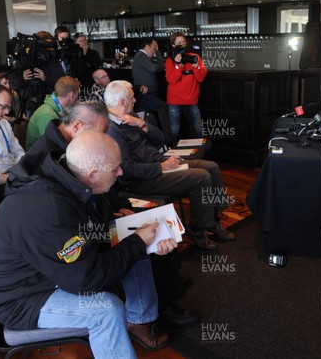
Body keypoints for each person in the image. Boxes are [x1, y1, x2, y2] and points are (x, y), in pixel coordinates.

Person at [0, 131, 177, 358]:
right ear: (92, 174)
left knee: (134, 247)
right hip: (20, 299)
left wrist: (134, 237)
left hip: (46, 273)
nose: (121, 172)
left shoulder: (68, 180)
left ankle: (139, 321)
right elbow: (87, 279)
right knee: (106, 311)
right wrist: (136, 241)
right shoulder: (49, 207)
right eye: (115, 168)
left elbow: (85, 233)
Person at [23, 100, 200, 328]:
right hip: (76, 237)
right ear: (77, 127)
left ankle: (166, 282)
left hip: (97, 215)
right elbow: (69, 209)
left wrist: (117, 208)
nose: (106, 138)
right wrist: (109, 218)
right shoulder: (44, 157)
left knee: (150, 219)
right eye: (102, 132)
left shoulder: (71, 146)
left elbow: (95, 189)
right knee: (137, 236)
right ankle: (159, 307)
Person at [104, 80, 235, 250]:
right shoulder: (112, 131)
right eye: (132, 97)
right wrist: (162, 167)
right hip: (143, 180)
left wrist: (141, 124)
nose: (135, 100)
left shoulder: (132, 117)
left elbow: (161, 139)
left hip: (159, 163)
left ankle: (213, 221)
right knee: (201, 177)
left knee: (211, 167)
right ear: (122, 102)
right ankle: (197, 229)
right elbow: (127, 170)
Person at [11, 30, 65, 115]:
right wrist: (23, 77)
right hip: (28, 104)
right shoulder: (24, 60)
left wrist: (45, 78)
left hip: (50, 104)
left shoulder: (53, 60)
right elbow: (14, 84)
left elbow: (61, 83)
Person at [165, 32, 207, 142]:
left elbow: (201, 78)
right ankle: (174, 156)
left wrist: (196, 67)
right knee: (174, 131)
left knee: (198, 130)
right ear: (173, 45)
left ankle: (198, 154)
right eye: (179, 43)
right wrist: (179, 66)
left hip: (192, 101)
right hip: (175, 101)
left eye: (184, 42)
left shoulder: (195, 57)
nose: (183, 45)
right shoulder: (170, 61)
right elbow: (170, 79)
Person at [25, 76, 80, 150]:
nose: (78, 99)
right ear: (71, 95)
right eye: (77, 94)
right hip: (39, 159)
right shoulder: (47, 115)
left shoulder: (56, 109)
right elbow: (55, 146)